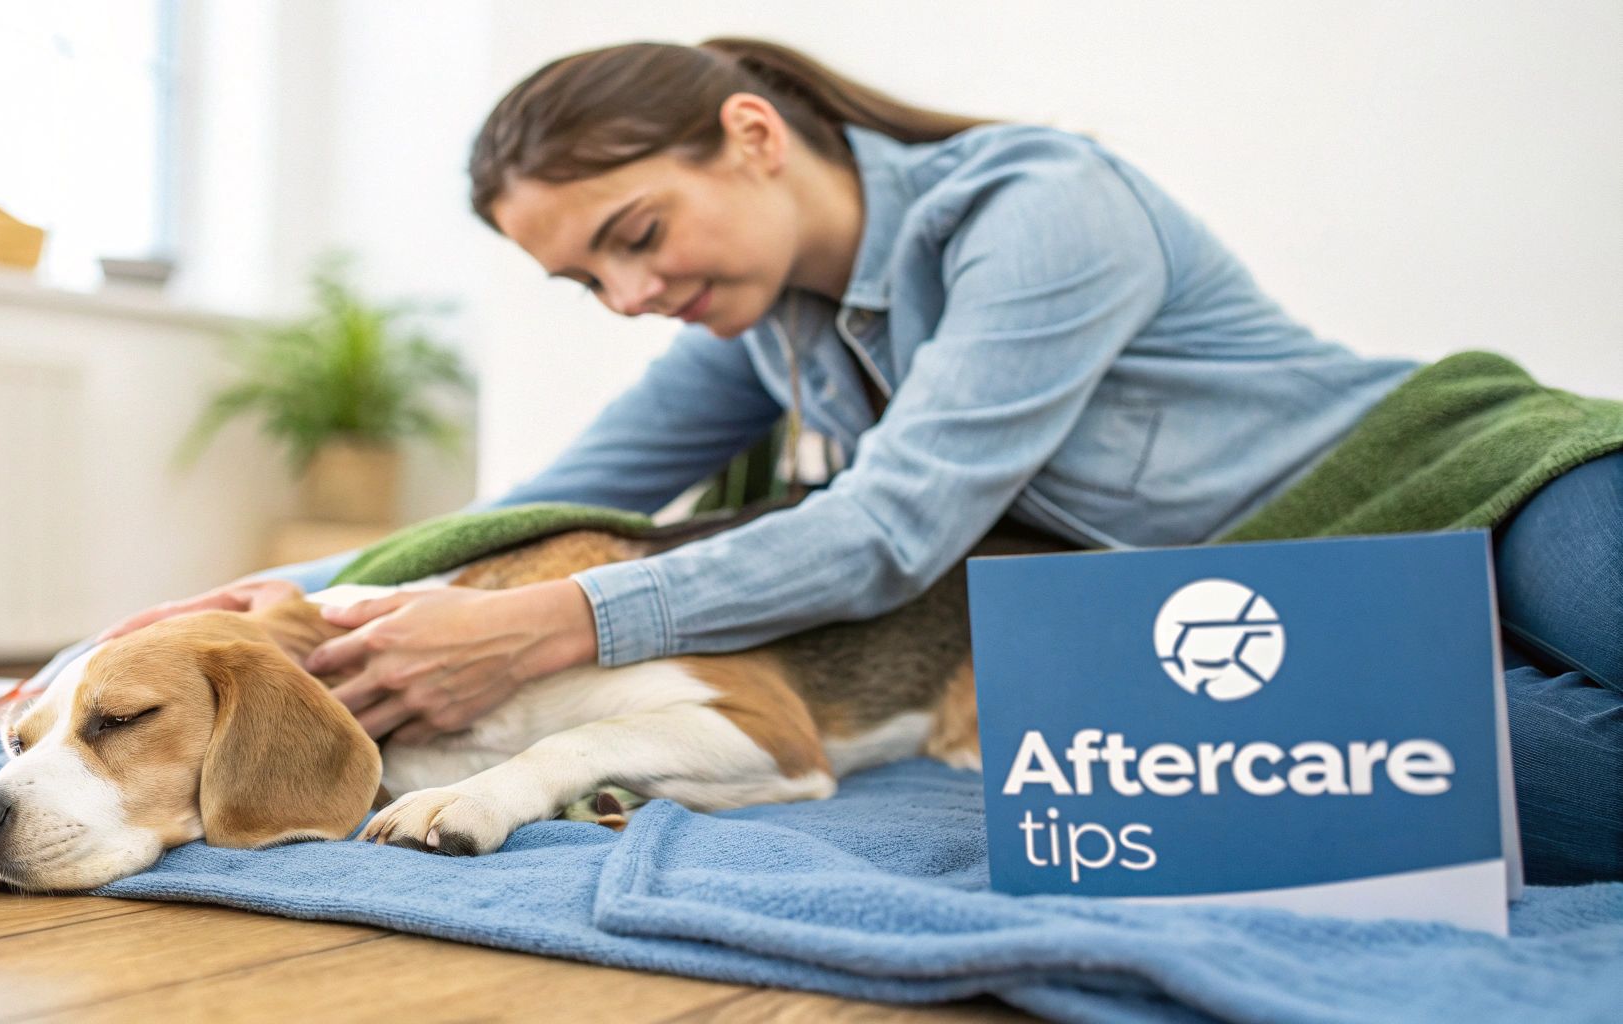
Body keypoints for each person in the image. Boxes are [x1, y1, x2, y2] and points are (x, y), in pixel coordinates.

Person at [87, 38, 1622, 882]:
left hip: (1470, 474)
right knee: (1536, 794)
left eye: (637, 234)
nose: (629, 294)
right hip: (1271, 615)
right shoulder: (772, 323)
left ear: (752, 136)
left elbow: (899, 523)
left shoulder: (1035, 203)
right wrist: (292, 601)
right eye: (586, 281)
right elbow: (551, 501)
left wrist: (552, 626)